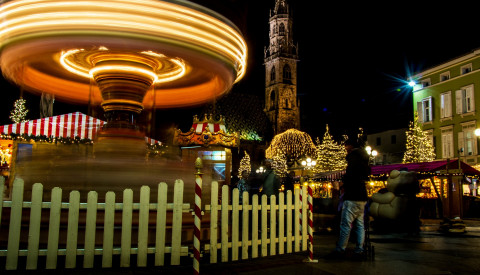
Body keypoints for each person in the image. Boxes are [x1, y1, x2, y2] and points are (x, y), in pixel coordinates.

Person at [328, 137, 370, 259]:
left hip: (352, 195)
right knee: (360, 224)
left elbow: (350, 175)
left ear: (350, 146)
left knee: (346, 224)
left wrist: (344, 183)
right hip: (362, 196)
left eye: (346, 147)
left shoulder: (353, 158)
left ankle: (341, 249)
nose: (345, 150)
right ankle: (359, 249)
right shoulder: (364, 159)